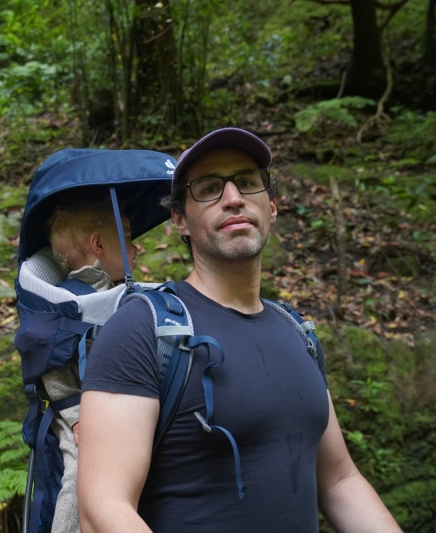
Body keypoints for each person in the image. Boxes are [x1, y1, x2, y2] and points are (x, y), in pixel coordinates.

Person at [76, 128, 402, 532]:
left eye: (247, 183)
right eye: (209, 188)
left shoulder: (296, 332)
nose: (233, 199)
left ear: (273, 205)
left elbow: (339, 481)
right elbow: (102, 508)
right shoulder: (143, 330)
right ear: (179, 219)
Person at [42, 191, 136, 533]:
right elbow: (50, 364)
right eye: (127, 238)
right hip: (76, 411)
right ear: (98, 244)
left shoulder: (117, 292)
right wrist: (77, 417)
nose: (137, 248)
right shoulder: (66, 302)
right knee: (82, 469)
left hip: (113, 402)